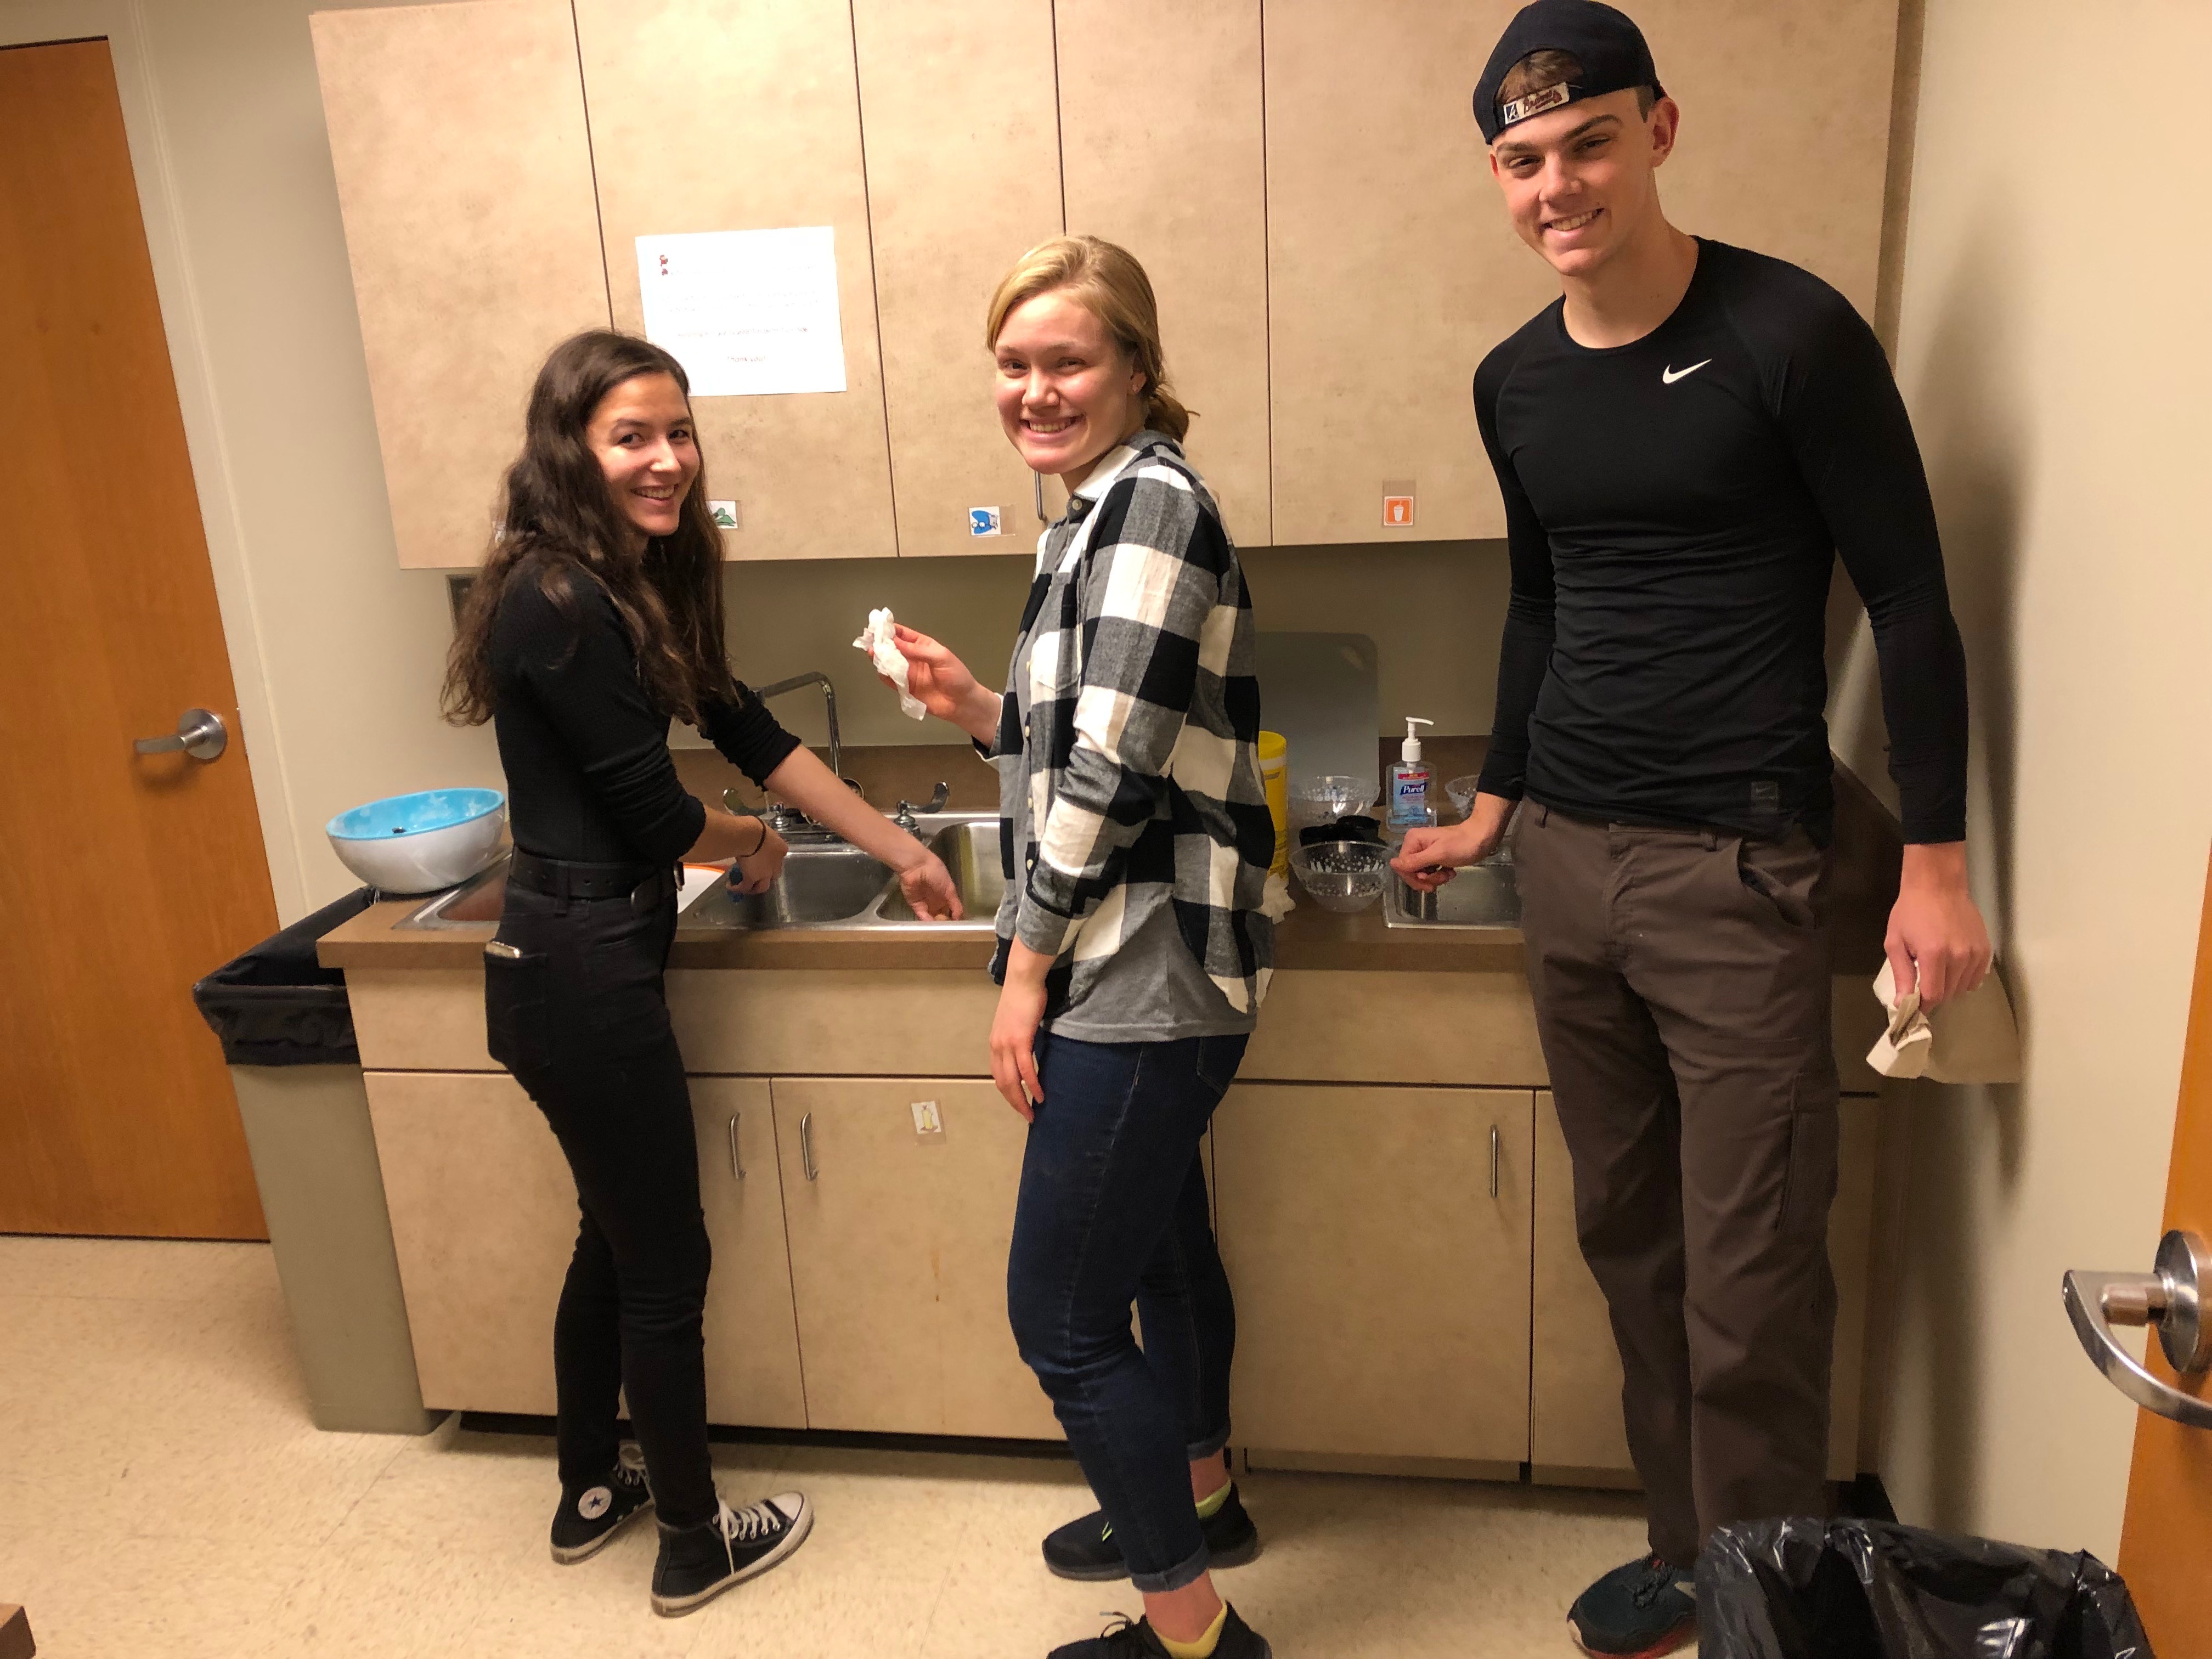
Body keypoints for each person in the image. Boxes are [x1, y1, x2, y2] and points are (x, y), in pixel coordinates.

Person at [1390, 5, 1993, 1655]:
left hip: (1741, 869)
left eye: (1587, 140)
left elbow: (1915, 596)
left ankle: (1774, 1614)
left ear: (1661, 130)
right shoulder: (1514, 378)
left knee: (1750, 1286)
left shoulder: (1789, 332)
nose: (1556, 184)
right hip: (1568, 866)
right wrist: (1495, 813)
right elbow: (1537, 607)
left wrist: (1933, 863)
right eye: (1521, 160)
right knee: (1630, 1244)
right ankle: (1695, 1556)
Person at [441, 329, 962, 1617]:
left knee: (610, 1245)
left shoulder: (627, 582)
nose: (666, 459)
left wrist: (896, 844)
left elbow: (742, 723)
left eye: (679, 432)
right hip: (581, 969)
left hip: (567, 963)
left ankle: (587, 1490)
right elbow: (662, 819)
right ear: (571, 449)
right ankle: (692, 1539)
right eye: (632, 436)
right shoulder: (554, 601)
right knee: (666, 1267)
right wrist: (750, 847)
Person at [888, 236, 1277, 1659]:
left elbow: (1108, 784)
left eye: (1067, 360)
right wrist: (974, 706)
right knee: (1161, 1250)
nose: (1036, 389)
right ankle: (1201, 1497)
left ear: (1134, 367)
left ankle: (1194, 1634)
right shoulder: (1087, 515)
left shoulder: (1152, 511)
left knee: (1058, 1316)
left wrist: (1024, 973)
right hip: (1137, 945)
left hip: (1144, 958)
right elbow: (1087, 737)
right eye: (1013, 364)